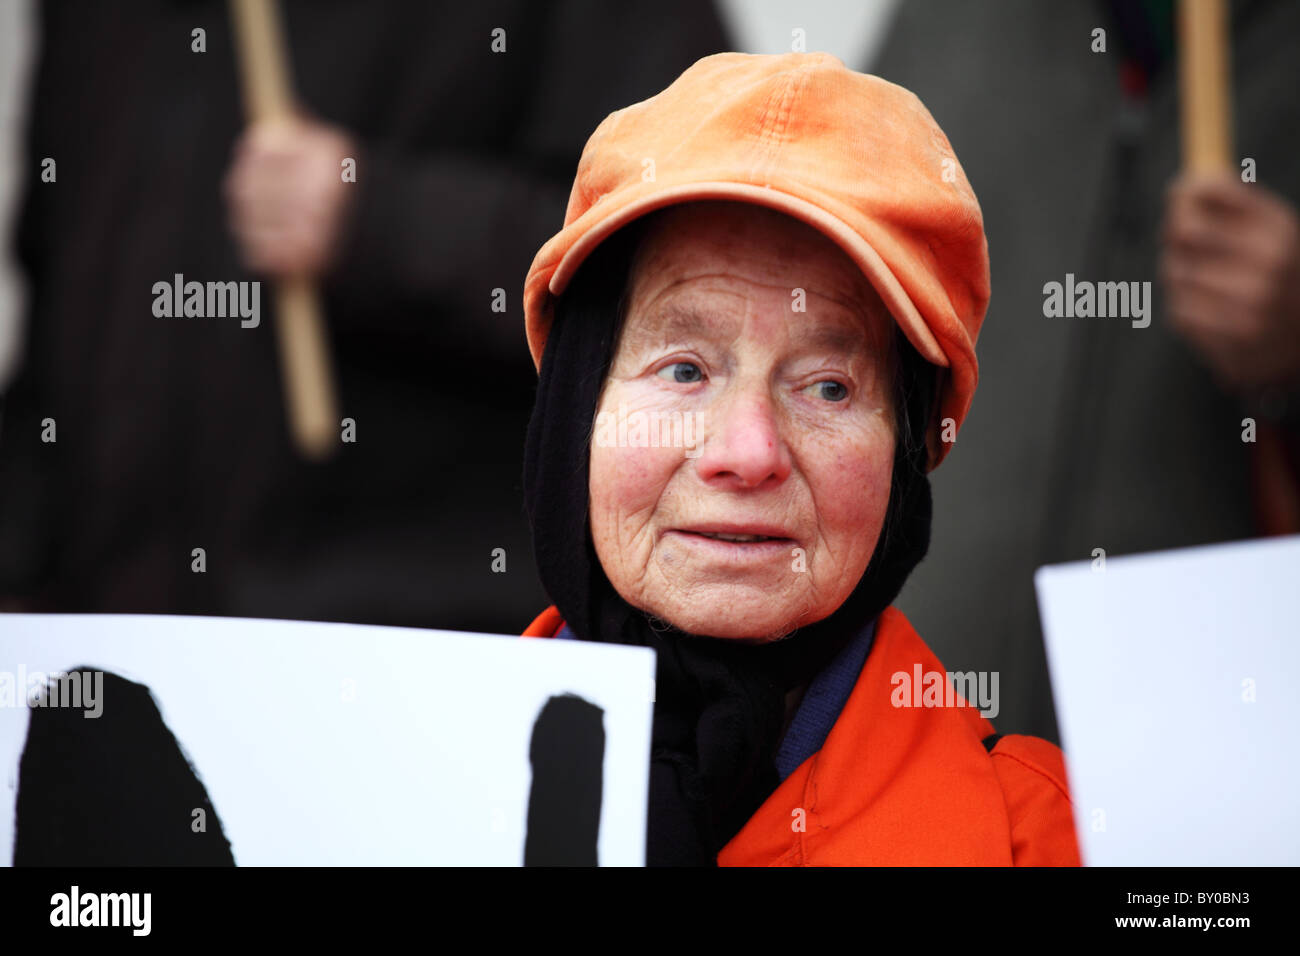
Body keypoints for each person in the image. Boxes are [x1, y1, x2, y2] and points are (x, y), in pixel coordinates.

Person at [517, 52, 1082, 866]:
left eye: (827, 388)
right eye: (684, 370)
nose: (747, 454)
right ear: (578, 412)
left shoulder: (1057, 839)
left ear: (909, 453)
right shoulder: (375, 799)